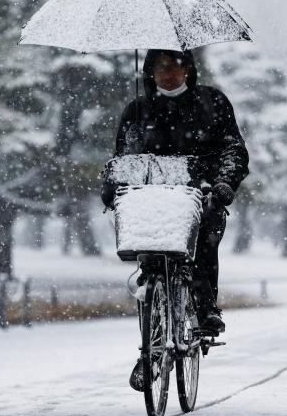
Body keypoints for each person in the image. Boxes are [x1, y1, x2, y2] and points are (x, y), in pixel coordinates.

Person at [101, 48, 249, 391]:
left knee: (203, 245)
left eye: (176, 66)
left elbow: (233, 150)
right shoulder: (137, 111)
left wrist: (224, 185)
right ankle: (150, 349)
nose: (168, 74)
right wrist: (112, 187)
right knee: (151, 266)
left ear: (189, 70)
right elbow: (124, 158)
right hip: (152, 201)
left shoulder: (213, 103)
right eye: (160, 67)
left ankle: (206, 307)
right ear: (149, 71)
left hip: (201, 196)